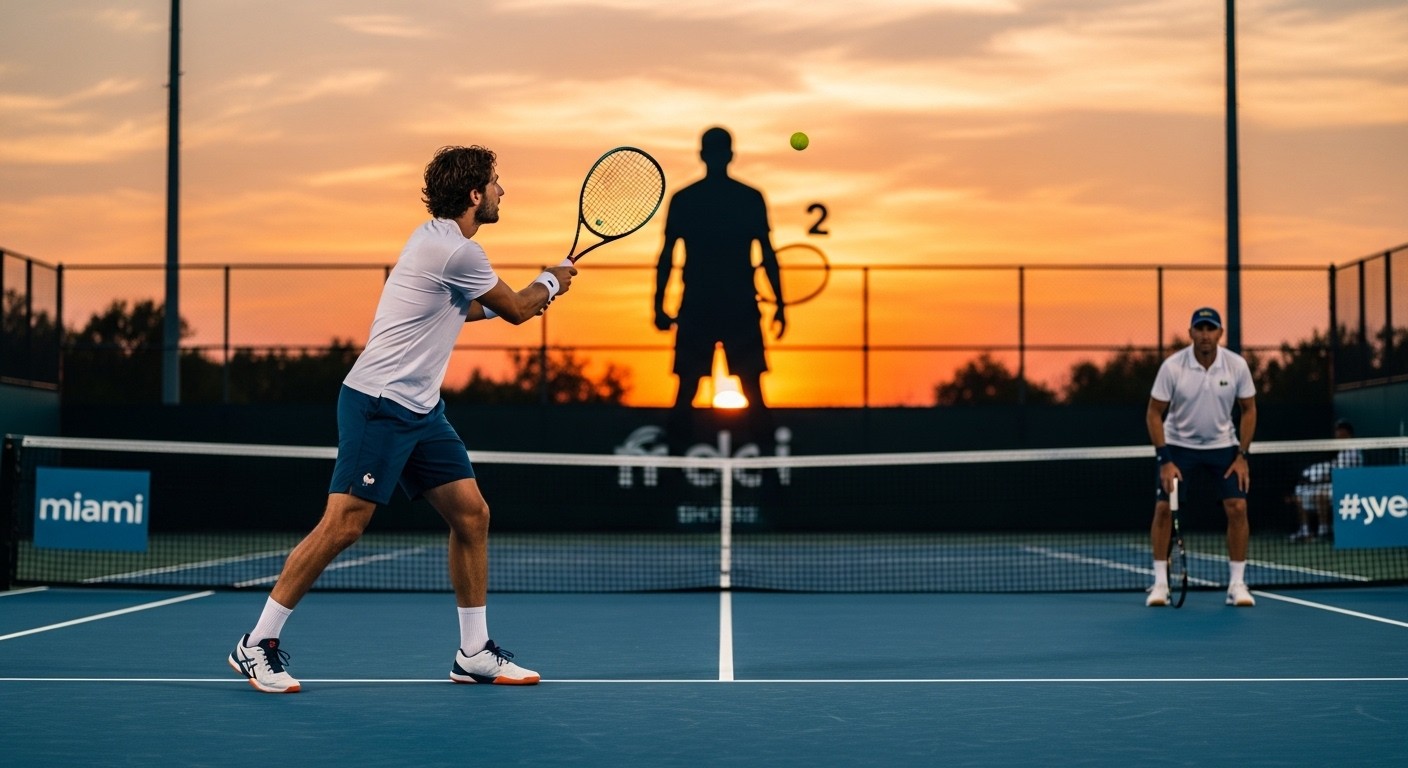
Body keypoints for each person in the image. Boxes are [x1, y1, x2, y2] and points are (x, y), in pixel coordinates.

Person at [227, 145, 577, 693]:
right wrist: (549, 282)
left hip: (422, 410)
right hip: (380, 403)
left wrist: (529, 295)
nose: (502, 190)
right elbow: (514, 309)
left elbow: (471, 306)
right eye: (496, 182)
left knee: (472, 516)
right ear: (475, 194)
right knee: (344, 525)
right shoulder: (458, 251)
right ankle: (256, 643)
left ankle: (473, 652)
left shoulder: (435, 241)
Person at [653, 126, 785, 420]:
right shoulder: (749, 198)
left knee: (688, 391)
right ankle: (763, 451)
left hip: (701, 305)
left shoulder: (685, 199)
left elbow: (666, 257)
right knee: (750, 392)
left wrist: (658, 304)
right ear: (731, 155)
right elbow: (768, 254)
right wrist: (780, 304)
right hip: (735, 305)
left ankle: (677, 447)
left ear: (702, 154)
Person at [1145, 307, 1258, 607]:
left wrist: (1242, 455)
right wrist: (1165, 459)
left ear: (1220, 333)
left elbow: (1249, 409)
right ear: (1191, 333)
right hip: (1179, 447)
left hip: (1223, 447)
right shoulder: (1173, 367)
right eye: (1200, 329)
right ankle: (1160, 584)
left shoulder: (1236, 365)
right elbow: (1154, 413)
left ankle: (1237, 584)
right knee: (1163, 510)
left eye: (1211, 329)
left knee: (1238, 507)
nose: (1205, 335)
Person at [1289, 419, 1363, 543]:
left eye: (1340, 431)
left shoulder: (1353, 451)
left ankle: (1324, 530)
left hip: (1348, 488)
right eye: (1337, 431)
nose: (1337, 434)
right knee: (1300, 493)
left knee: (1321, 495)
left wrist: (1319, 480)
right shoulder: (1339, 452)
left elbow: (1341, 474)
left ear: (1347, 433)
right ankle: (1305, 530)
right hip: (1333, 485)